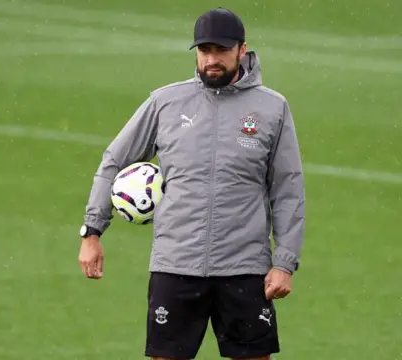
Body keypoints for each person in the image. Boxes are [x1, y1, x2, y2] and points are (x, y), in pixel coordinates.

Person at [77, 7, 305, 360]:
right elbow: (114, 161)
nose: (211, 59)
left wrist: (284, 262)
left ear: (242, 50)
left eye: (221, 51)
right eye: (204, 51)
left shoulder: (272, 108)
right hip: (176, 265)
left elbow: (288, 189)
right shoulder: (166, 102)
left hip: (244, 268)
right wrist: (92, 230)